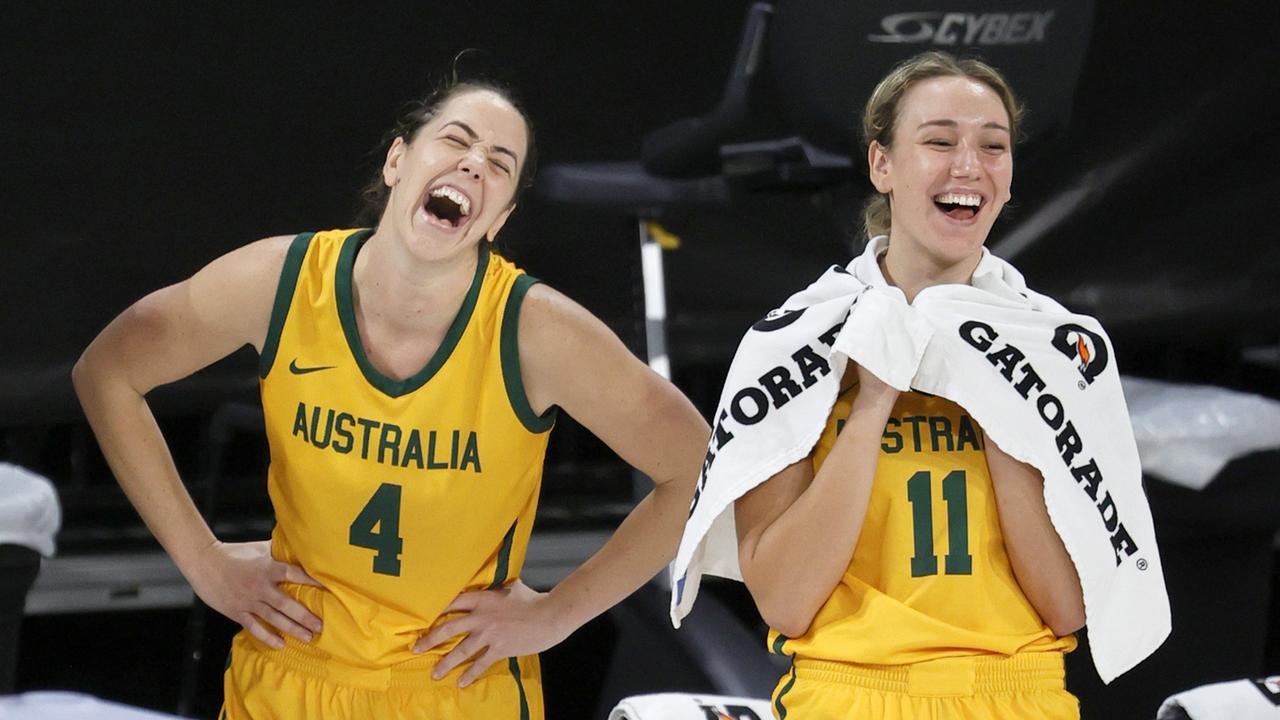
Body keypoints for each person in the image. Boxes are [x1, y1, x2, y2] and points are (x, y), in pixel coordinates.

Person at [73, 77, 709, 719]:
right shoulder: (280, 283)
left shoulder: (533, 331)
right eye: (456, 140)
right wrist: (201, 559)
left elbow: (695, 465)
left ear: (500, 217)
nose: (473, 163)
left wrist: (556, 616)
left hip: (453, 687)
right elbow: (107, 373)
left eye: (499, 164)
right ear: (398, 161)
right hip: (288, 676)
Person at [733, 51, 1086, 719]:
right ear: (882, 165)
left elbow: (1069, 606)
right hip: (852, 694)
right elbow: (784, 600)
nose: (968, 165)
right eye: (939, 140)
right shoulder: (795, 345)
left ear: (1009, 179)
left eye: (993, 145)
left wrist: (1000, 407)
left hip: (1022, 692)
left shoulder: (1055, 347)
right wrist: (871, 405)